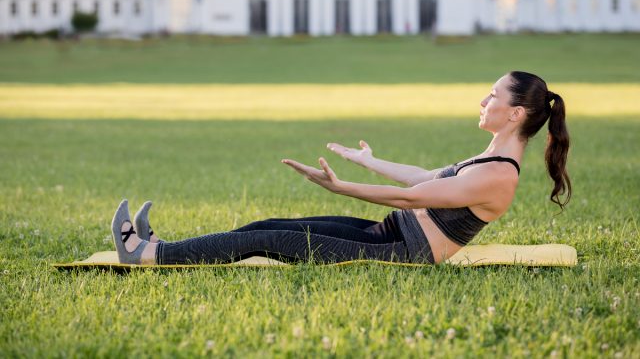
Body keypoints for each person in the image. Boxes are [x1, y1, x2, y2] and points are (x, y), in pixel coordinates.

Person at [111, 71, 571, 265]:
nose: (483, 100)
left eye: (493, 95)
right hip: (389, 233)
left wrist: (341, 186)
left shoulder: (499, 174)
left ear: (515, 114)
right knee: (272, 225)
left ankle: (146, 255)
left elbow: (413, 198)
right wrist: (369, 162)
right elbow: (424, 178)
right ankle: (160, 247)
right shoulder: (491, 157)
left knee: (270, 241)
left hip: (400, 255)